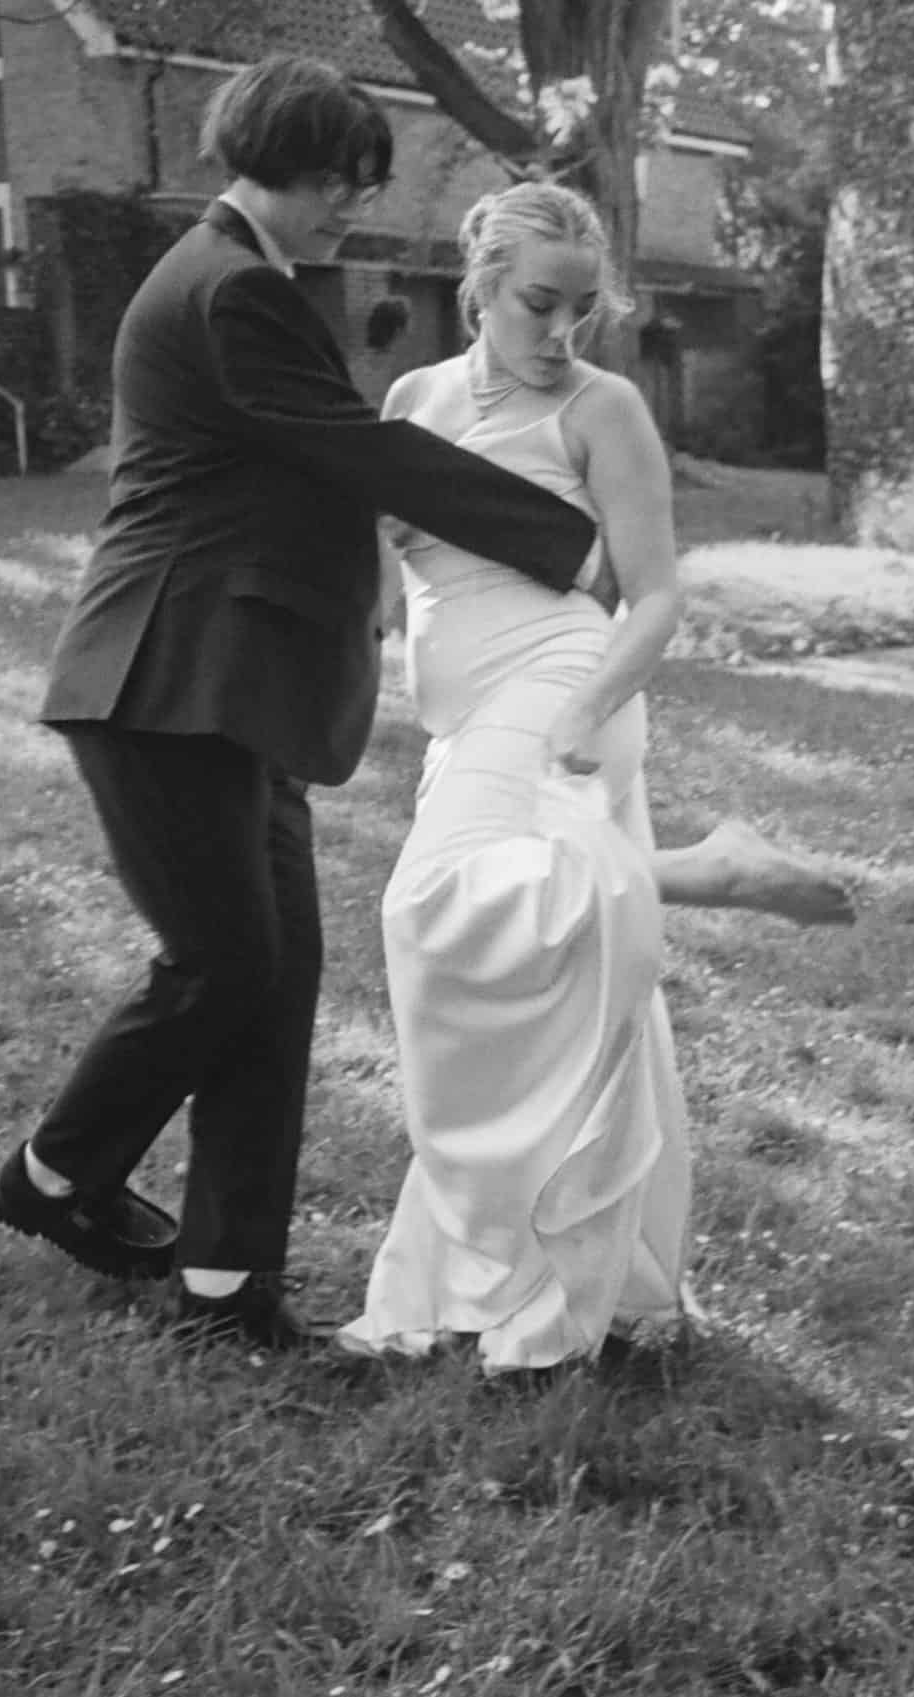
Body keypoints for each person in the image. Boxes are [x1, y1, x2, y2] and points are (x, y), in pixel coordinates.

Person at [0, 57, 608, 1352]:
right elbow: (360, 450)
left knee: (273, 980)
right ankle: (54, 1176)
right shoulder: (229, 291)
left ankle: (227, 1288)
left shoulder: (239, 281)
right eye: (344, 182)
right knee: (222, 966)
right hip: (162, 681)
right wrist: (571, 544)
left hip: (229, 688)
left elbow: (309, 471)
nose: (350, 207)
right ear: (296, 165)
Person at [337, 182, 846, 1375]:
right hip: (461, 719)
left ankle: (702, 869)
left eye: (579, 307)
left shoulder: (602, 407)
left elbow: (656, 593)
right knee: (561, 992)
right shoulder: (413, 401)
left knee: (435, 907)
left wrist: (584, 707)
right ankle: (537, 1288)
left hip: (564, 684)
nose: (558, 330)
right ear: (476, 282)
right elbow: (382, 581)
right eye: (535, 302)